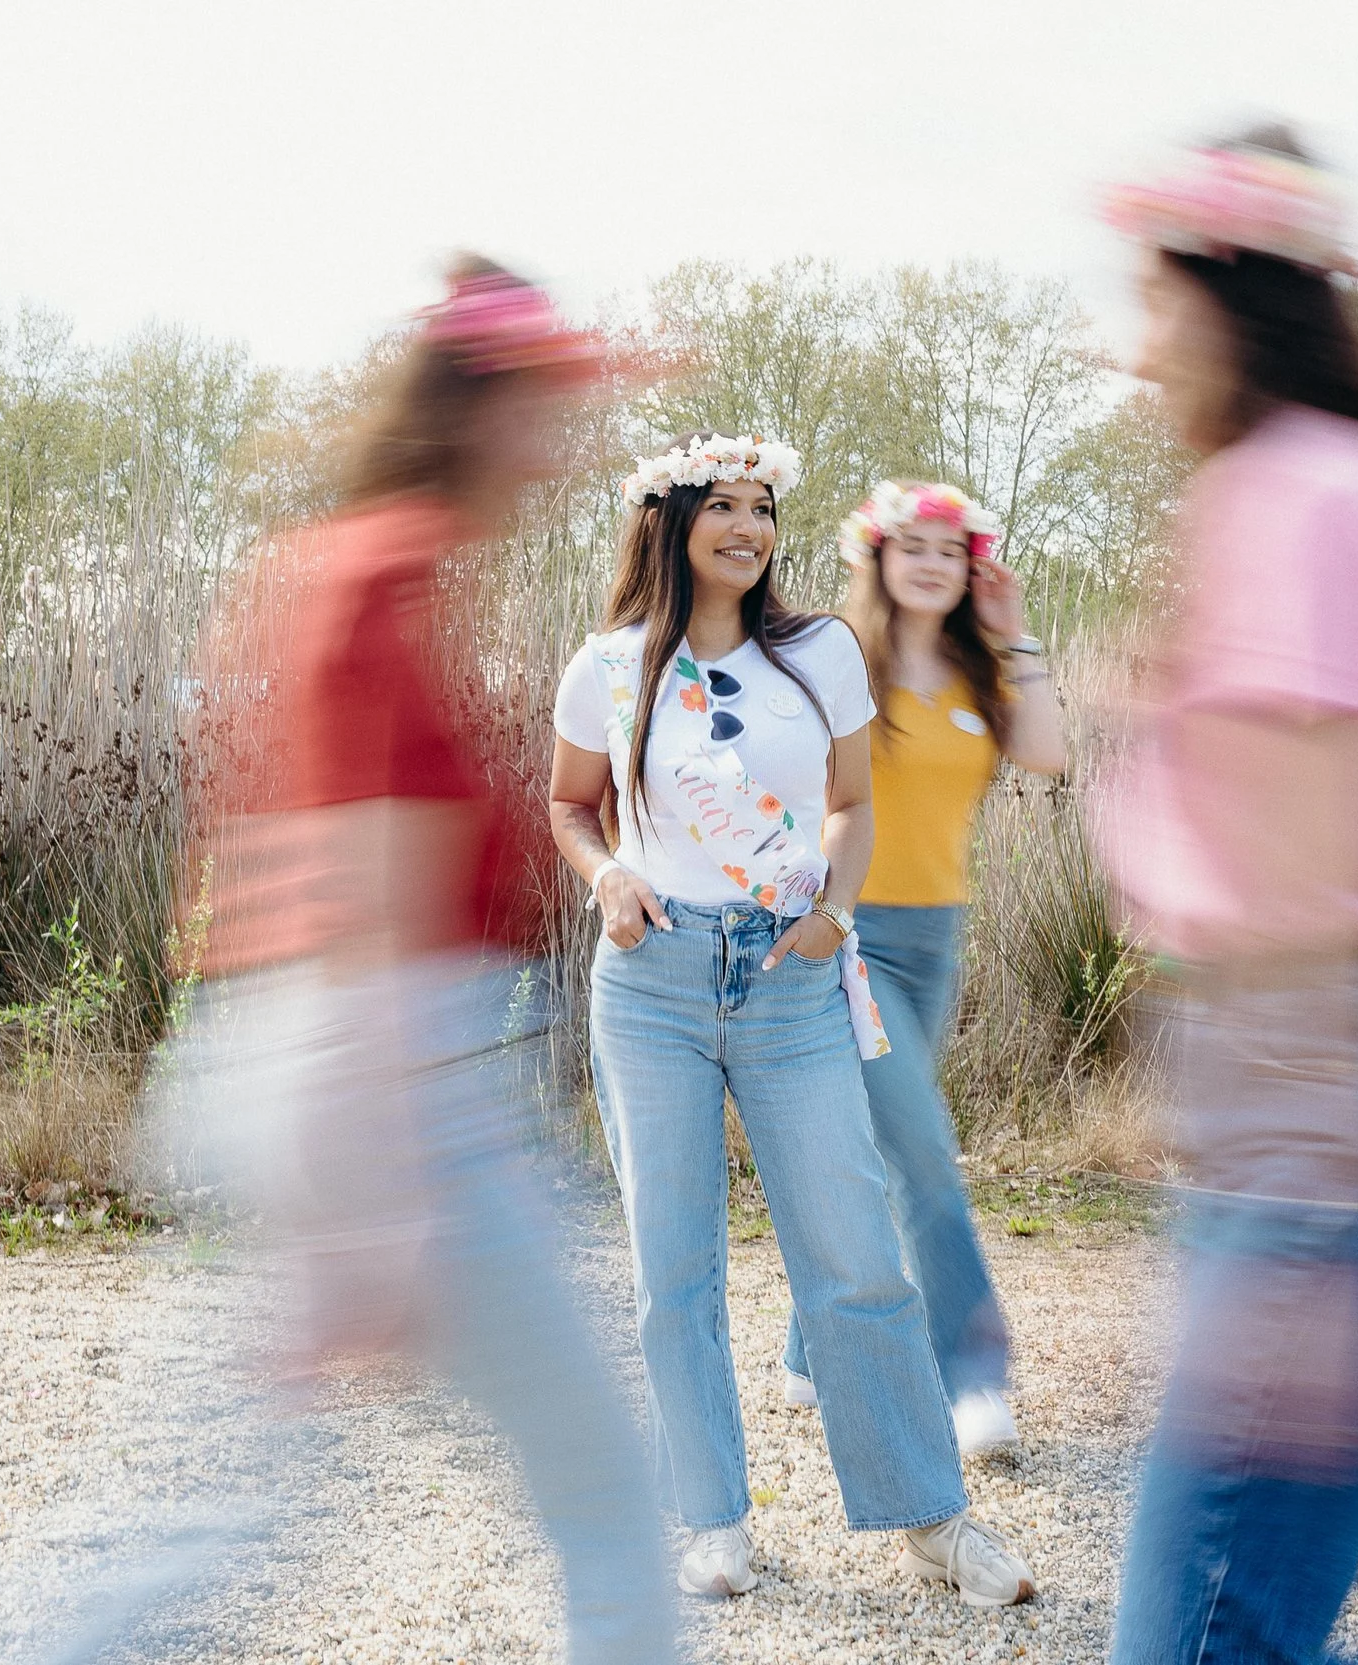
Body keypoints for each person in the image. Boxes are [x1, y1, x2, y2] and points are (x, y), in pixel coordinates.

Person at [156, 257, 678, 1665]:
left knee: (232, 1509)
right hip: (391, 1086)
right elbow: (365, 903)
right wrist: (372, 1198)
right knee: (611, 1498)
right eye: (548, 409)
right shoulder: (382, 578)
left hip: (312, 1064)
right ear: (479, 411)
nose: (560, 444)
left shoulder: (330, 563)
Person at [1097, 129, 1358, 1664]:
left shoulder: (1289, 495)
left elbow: (1298, 857)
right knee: (1254, 1604)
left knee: (1207, 1627)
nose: (1136, 353)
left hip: (1333, 1092)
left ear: (1225, 300)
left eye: (1152, 306)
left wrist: (1305, 1194)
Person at [548, 432, 1037, 1607]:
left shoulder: (817, 651)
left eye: (762, 507)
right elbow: (572, 806)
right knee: (673, 1270)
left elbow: (851, 804)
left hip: (792, 976)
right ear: (668, 521)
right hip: (651, 982)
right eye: (722, 505)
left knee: (855, 1257)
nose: (748, 528)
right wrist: (605, 874)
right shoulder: (606, 666)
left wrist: (827, 914)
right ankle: (713, 1521)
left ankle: (931, 1521)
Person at [769, 480, 1068, 1455]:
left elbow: (1049, 757)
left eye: (951, 549)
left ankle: (810, 1344)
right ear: (878, 561)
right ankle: (971, 1375)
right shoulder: (836, 659)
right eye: (913, 547)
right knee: (927, 1159)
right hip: (847, 938)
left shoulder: (980, 673)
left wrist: (1014, 632)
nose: (933, 563)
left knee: (880, 1149)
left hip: (937, 941)